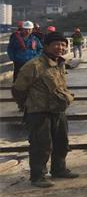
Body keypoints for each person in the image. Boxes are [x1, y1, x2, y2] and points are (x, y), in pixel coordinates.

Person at [11, 32, 78, 188]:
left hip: (58, 110)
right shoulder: (34, 65)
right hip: (39, 111)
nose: (60, 48)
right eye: (56, 44)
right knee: (41, 144)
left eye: (63, 45)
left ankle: (59, 169)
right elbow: (18, 89)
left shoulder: (59, 63)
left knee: (61, 142)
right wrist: (26, 104)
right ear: (46, 46)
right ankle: (38, 176)